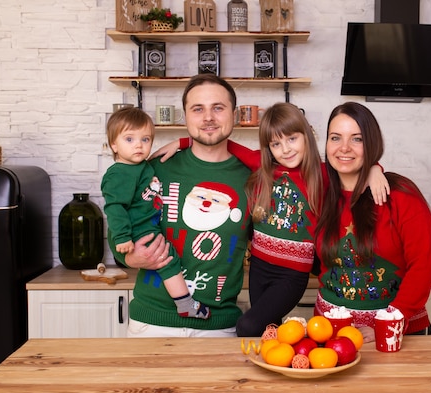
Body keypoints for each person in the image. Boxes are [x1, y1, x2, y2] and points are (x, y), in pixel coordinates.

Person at [156, 102, 389, 336]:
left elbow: (352, 165)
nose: (285, 149)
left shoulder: (322, 173)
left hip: (292, 273)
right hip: (259, 267)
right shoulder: (264, 166)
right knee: (267, 333)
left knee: (248, 327)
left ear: (306, 135)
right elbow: (226, 146)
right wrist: (183, 142)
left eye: (292, 139)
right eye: (276, 144)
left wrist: (374, 168)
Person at [110, 74, 252, 337]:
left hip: (219, 327)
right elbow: (118, 230)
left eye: (218, 108)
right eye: (198, 109)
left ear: (234, 114)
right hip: (150, 323)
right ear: (185, 116)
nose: (208, 117)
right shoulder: (154, 169)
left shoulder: (252, 178)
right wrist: (130, 256)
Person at [314, 101, 431, 343]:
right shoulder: (319, 189)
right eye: (335, 138)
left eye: (357, 139)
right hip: (330, 334)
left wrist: (387, 323)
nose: (344, 148)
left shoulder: (400, 194)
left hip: (395, 337)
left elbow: (423, 268)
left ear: (372, 143)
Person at [101, 107, 210, 320]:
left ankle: (184, 302)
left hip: (149, 224)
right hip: (139, 229)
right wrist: (123, 237)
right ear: (114, 144)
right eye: (129, 139)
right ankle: (185, 303)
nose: (139, 145)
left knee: (168, 257)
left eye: (146, 139)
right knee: (166, 259)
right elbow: (114, 208)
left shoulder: (143, 166)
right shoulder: (118, 174)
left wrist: (180, 142)